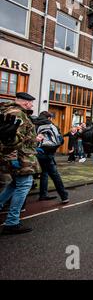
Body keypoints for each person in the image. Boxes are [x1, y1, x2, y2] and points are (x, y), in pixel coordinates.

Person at [0, 93, 42, 235]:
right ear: (25, 103)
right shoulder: (18, 114)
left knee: (14, 184)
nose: (31, 105)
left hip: (19, 155)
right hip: (21, 157)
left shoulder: (10, 111)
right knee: (24, 185)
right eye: (30, 103)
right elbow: (11, 138)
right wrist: (12, 158)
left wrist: (34, 139)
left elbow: (20, 136)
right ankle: (12, 222)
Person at [34, 111, 69, 203]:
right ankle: (64, 196)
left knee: (42, 174)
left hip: (34, 153)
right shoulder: (51, 125)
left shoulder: (33, 124)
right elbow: (59, 140)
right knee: (55, 175)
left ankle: (43, 194)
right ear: (49, 118)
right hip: (47, 153)